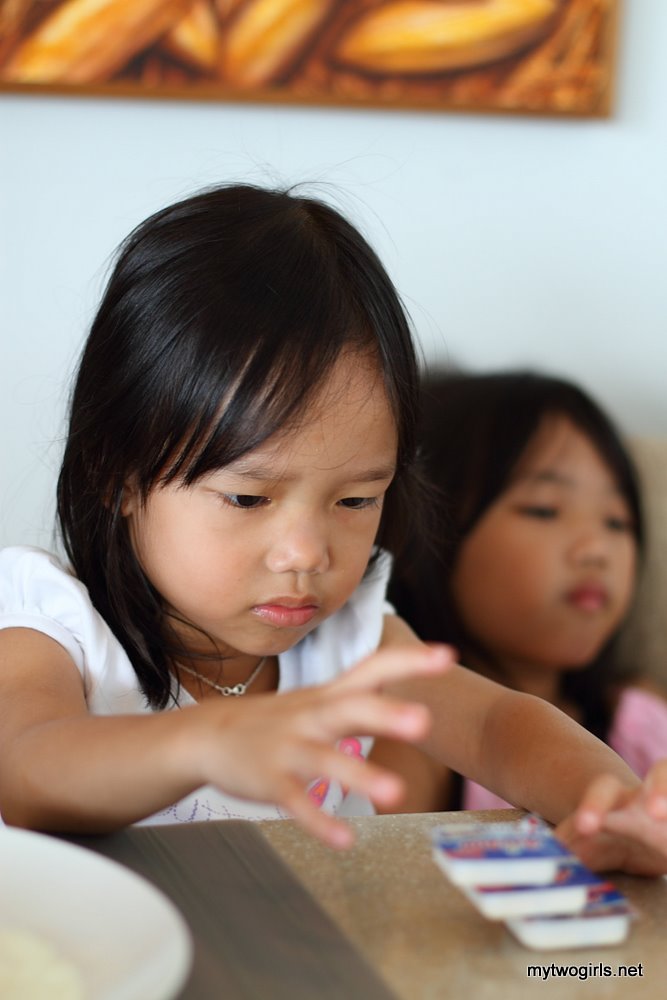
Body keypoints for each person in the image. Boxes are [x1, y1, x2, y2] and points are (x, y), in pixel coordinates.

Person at [1, 186, 667, 876]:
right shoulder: (55, 627)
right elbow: (27, 772)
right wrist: (203, 740)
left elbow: (498, 726)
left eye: (354, 500)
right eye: (248, 497)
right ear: (117, 472)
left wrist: (607, 801)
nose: (307, 554)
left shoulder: (350, 643)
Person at [387, 368, 667, 822]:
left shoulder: (636, 715)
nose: (597, 549)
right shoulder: (419, 743)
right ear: (429, 533)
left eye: (617, 521)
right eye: (544, 510)